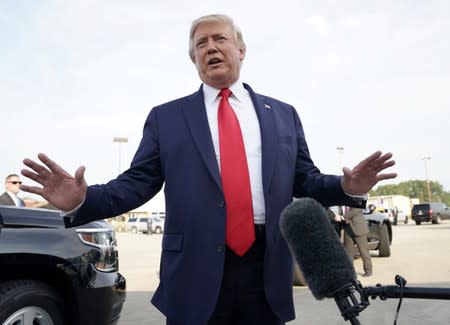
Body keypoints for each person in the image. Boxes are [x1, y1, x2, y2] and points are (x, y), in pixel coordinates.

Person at [20, 14, 396, 325]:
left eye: (220, 39)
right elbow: (136, 184)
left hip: (265, 268)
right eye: (201, 44)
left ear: (241, 49)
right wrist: (84, 199)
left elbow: (305, 180)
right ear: (194, 59)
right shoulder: (167, 118)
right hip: (194, 270)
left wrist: (348, 187)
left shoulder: (282, 115)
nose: (211, 48)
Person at [343, 207, 373, 277]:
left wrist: (343, 217)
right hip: (347, 229)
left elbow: (357, 209)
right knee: (348, 253)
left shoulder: (356, 198)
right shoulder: (341, 199)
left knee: (363, 251)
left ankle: (368, 271)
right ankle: (349, 273)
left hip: (358, 228)